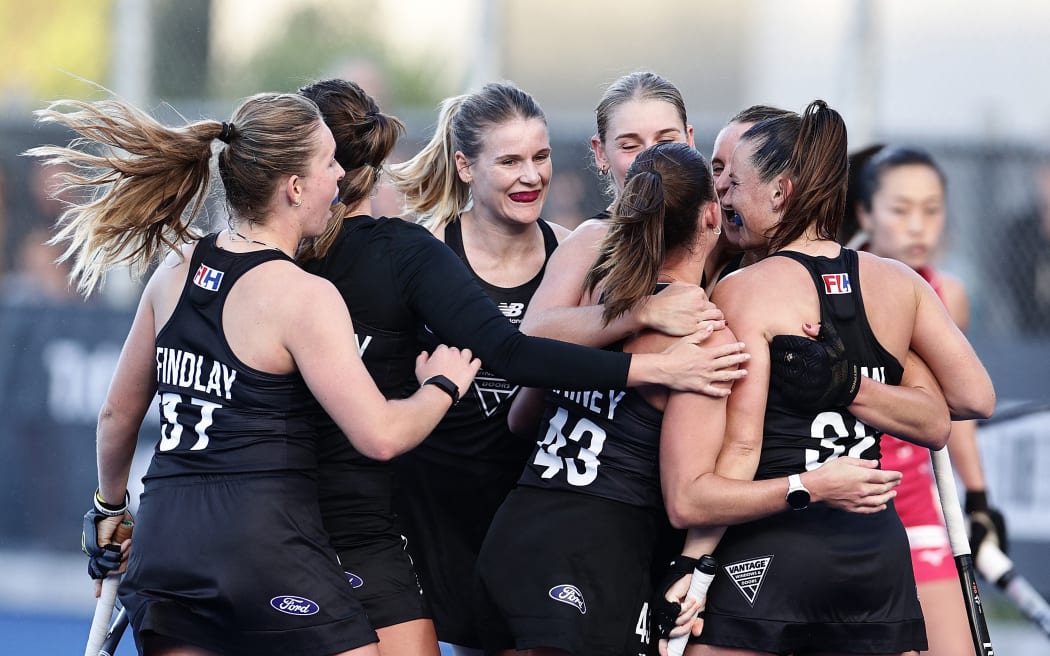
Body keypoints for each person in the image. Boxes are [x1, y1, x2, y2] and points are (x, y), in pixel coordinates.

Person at [294, 79, 744, 656]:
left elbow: (534, 395)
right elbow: (522, 349)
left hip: (540, 503)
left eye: (540, 157)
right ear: (464, 166)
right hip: (436, 515)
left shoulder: (579, 251)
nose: (530, 175)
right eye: (509, 160)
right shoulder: (423, 251)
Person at [31, 91, 482, 656]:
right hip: (262, 544)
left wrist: (109, 511)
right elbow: (382, 436)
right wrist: (442, 384)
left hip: (166, 543)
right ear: (294, 187)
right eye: (328, 163)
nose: (341, 175)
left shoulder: (175, 270)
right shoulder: (304, 296)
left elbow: (116, 415)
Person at [689, 100, 994, 655]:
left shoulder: (745, 288)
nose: (723, 197)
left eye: (733, 183)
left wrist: (692, 564)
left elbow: (739, 448)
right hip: (874, 554)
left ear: (780, 192)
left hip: (776, 544)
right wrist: (863, 384)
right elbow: (967, 400)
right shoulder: (899, 284)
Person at [474, 142, 736, 656]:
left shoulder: (592, 298)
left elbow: (522, 415)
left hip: (517, 528)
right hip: (593, 550)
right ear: (711, 215)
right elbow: (689, 499)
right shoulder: (703, 338)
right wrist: (805, 486)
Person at [853, 145, 1008, 656]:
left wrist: (979, 498)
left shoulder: (950, 294)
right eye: (900, 210)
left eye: (932, 209)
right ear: (865, 213)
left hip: (919, 498)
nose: (918, 227)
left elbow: (957, 409)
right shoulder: (833, 281)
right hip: (848, 497)